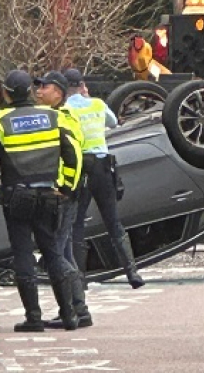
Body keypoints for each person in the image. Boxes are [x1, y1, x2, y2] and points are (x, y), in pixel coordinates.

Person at [0, 70, 86, 332]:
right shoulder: (55, 117)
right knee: (53, 252)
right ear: (31, 92)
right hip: (50, 196)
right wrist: (66, 187)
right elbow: (74, 154)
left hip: (17, 198)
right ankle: (69, 314)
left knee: (23, 254)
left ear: (7, 93)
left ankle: (33, 318)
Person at [62, 67, 145, 288]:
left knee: (77, 222)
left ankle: (80, 278)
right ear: (82, 86)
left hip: (80, 165)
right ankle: (132, 273)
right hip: (102, 164)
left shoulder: (65, 109)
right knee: (112, 220)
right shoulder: (97, 104)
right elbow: (113, 123)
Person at [33, 70, 90, 327]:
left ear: (58, 92)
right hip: (61, 194)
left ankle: (77, 308)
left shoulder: (61, 118)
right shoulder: (52, 116)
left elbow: (74, 158)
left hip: (62, 196)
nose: (39, 90)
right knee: (63, 250)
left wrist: (65, 188)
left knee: (56, 253)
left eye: (44, 87)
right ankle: (75, 308)